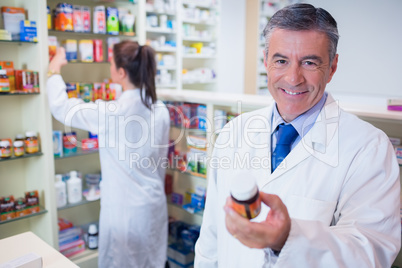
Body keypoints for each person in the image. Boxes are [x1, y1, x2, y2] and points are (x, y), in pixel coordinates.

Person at [195, 3, 401, 267]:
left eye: (309, 62)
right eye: (281, 61)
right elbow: (211, 237)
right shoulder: (233, 133)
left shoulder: (368, 147)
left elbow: (372, 252)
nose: (293, 78)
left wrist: (288, 238)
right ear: (266, 60)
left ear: (333, 66)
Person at [47, 41, 170, 267]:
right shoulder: (160, 109)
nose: (109, 66)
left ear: (121, 72)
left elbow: (62, 108)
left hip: (126, 214)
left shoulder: (113, 113)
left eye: (112, 62)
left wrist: (53, 70)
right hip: (153, 205)